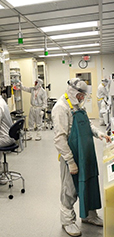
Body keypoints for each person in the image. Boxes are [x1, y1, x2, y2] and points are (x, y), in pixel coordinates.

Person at [51, 78, 111, 237]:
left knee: (90, 183)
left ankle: (90, 215)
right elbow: (59, 139)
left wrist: (99, 133)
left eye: (83, 96)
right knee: (69, 190)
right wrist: (70, 161)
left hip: (86, 154)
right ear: (73, 92)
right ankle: (67, 221)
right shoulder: (60, 108)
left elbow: (88, 124)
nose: (82, 98)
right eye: (80, 95)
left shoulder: (77, 105)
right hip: (72, 155)